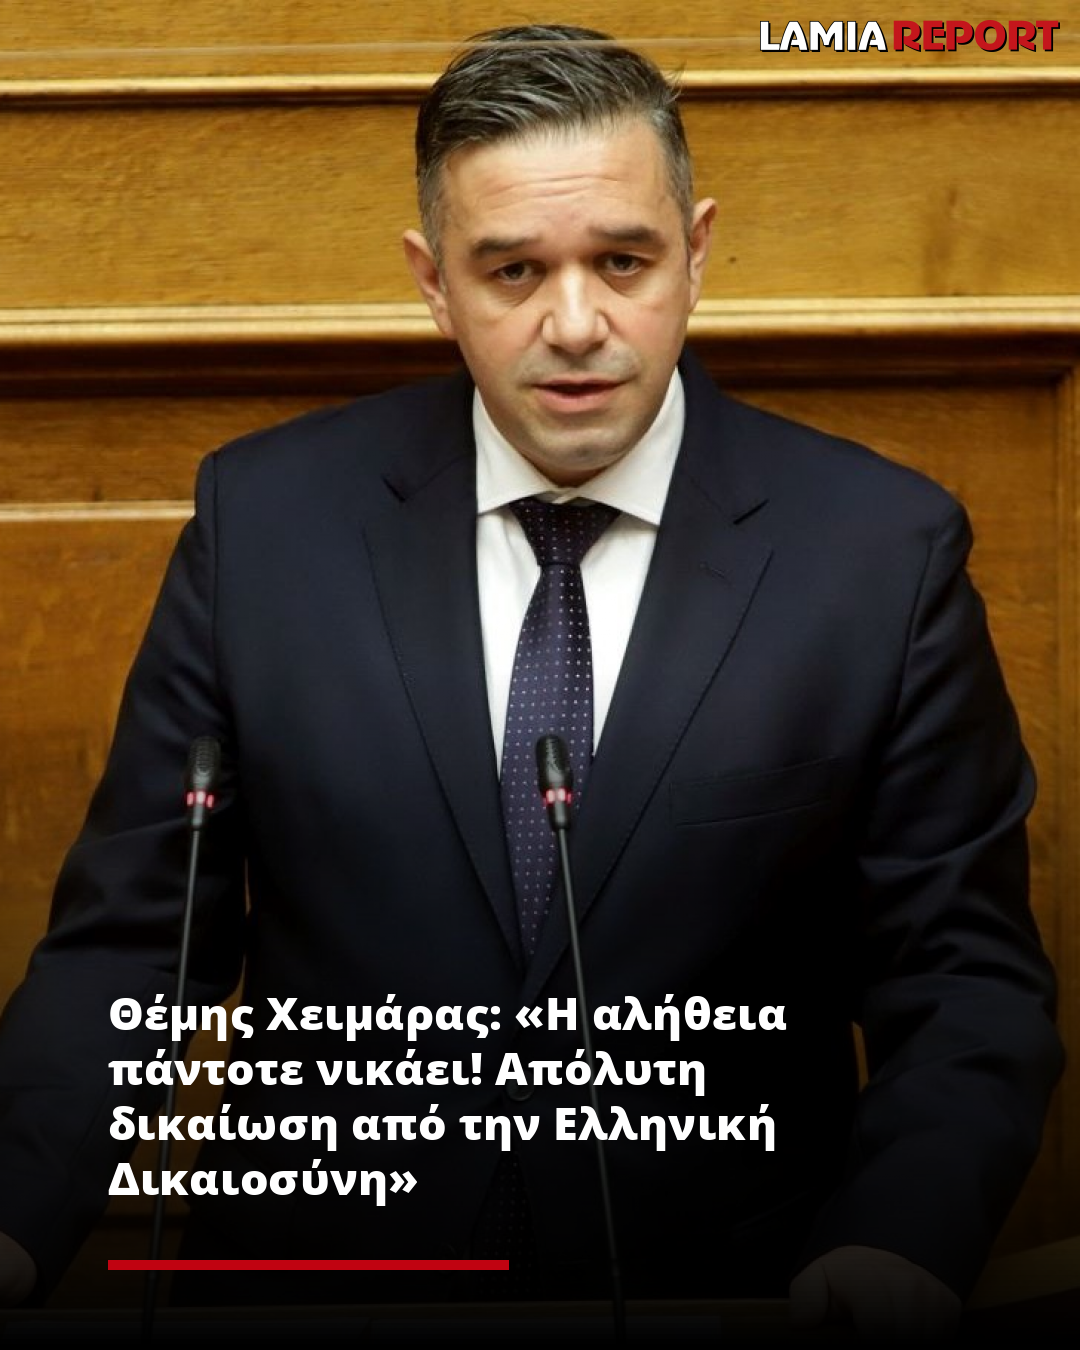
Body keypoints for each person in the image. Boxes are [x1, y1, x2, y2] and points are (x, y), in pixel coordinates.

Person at [0, 23, 1063, 1340]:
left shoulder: (879, 555)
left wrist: (899, 1238)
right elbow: (132, 948)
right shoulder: (266, 525)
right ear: (433, 281)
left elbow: (961, 977)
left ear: (698, 252)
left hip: (723, 1300)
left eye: (623, 261)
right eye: (513, 270)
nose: (575, 326)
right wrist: (14, 1213)